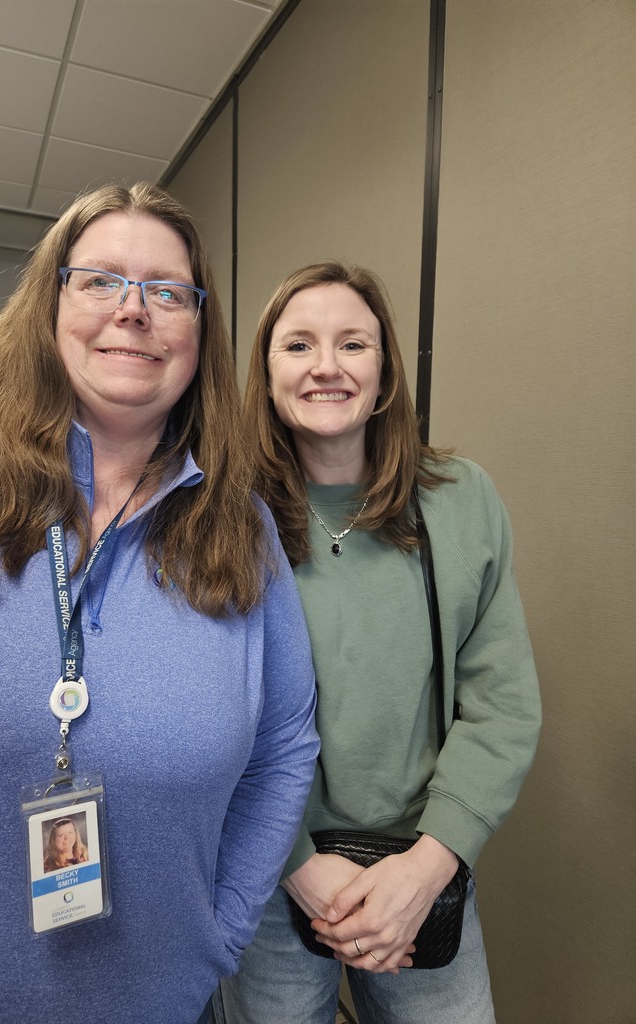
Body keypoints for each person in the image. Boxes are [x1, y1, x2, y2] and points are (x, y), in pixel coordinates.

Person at [0, 183, 318, 1024]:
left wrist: (218, 936)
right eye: (100, 280)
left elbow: (285, 747)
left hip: (146, 1000)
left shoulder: (240, 527)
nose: (133, 309)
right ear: (49, 304)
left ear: (200, 332)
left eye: (168, 292)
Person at [213, 262, 541, 1024]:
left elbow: (503, 703)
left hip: (421, 870)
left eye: (352, 344)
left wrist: (428, 866)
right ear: (265, 373)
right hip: (268, 872)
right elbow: (207, 713)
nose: (326, 366)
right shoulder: (221, 517)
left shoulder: (460, 501)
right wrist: (297, 865)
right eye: (299, 345)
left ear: (386, 370)